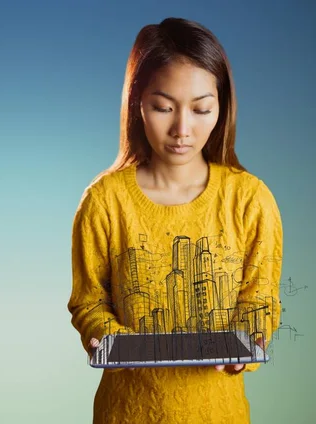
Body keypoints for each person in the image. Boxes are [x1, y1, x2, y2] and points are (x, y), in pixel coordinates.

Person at [67, 17, 283, 424]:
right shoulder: (104, 201)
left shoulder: (249, 199)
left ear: (222, 106)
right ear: (137, 104)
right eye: (164, 107)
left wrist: (249, 342)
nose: (183, 129)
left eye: (201, 109)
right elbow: (89, 300)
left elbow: (260, 299)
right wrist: (106, 339)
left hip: (219, 413)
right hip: (126, 412)